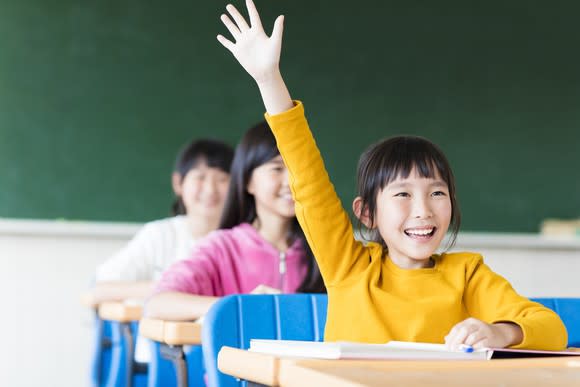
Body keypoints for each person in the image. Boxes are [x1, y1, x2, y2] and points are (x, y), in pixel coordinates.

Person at [215, 0, 567, 350]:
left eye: (437, 193)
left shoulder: (467, 273)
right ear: (366, 212)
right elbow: (307, 177)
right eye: (402, 194)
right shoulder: (348, 265)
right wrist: (268, 79)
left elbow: (551, 329)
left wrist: (500, 332)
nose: (423, 210)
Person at [146, 121, 325, 321]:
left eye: (299, 169)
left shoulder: (324, 252)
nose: (292, 181)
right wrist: (239, 305)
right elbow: (158, 303)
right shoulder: (221, 247)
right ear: (248, 181)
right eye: (277, 168)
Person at [90, 138, 234, 304]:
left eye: (222, 179)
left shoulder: (242, 241)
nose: (210, 189)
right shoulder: (160, 235)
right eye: (200, 177)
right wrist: (171, 288)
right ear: (178, 183)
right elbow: (99, 289)